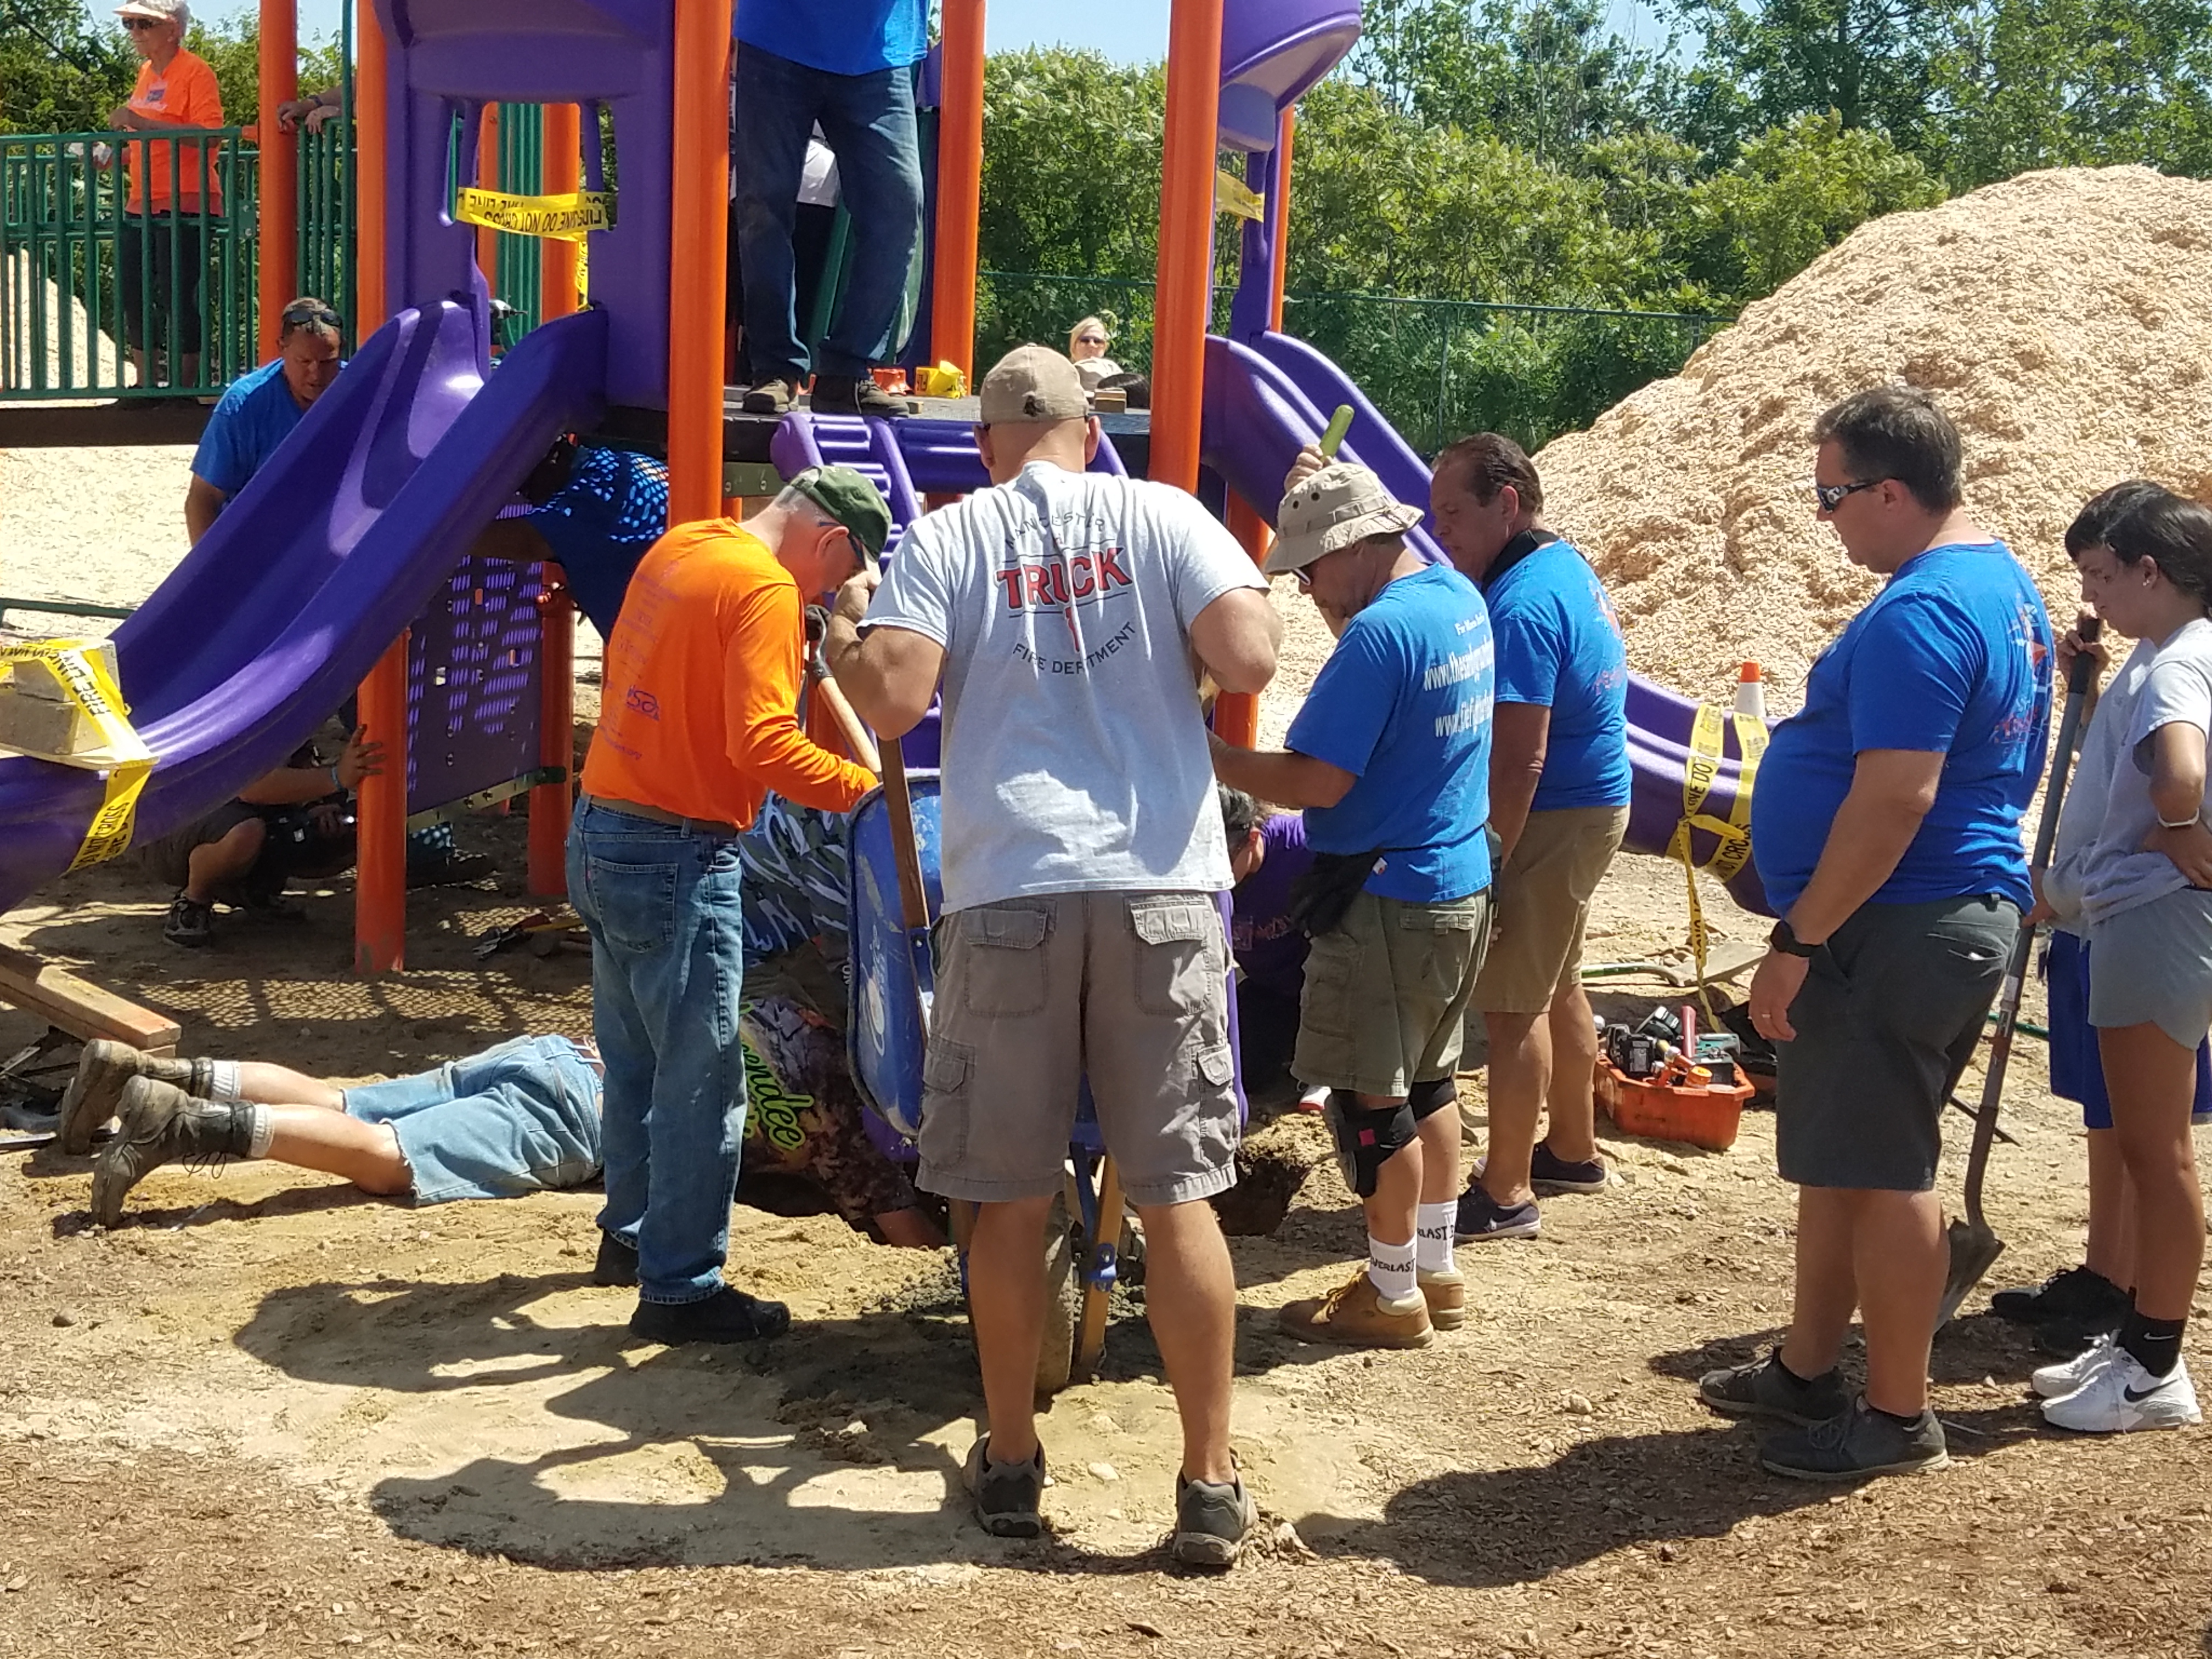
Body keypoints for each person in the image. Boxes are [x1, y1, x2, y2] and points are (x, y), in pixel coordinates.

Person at [825, 345, 1280, 1566]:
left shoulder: (951, 535)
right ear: (1091, 429)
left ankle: (1015, 1459)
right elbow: (1250, 658)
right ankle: (1208, 1479)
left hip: (1012, 887)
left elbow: (893, 702)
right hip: (1159, 885)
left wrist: (851, 632)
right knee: (1178, 1193)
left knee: (1009, 1195)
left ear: (986, 444)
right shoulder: (1164, 516)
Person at [1698, 386, 2051, 1481]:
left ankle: (1899, 1414)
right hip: (1924, 914)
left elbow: (1897, 795)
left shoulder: (1924, 611)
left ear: (1891, 492)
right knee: (1843, 1159)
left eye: (1831, 495)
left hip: (1891, 924)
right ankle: (1806, 1368)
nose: (1825, 518)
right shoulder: (1999, 584)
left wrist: (1799, 938)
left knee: (1888, 1167)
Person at [569, 464, 888, 1348]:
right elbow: (764, 745)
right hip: (677, 849)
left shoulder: (687, 547)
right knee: (704, 1080)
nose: (828, 594)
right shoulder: (766, 591)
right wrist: (867, 796)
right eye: (841, 575)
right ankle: (680, 1288)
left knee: (635, 1059)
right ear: (830, 540)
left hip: (601, 825)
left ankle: (631, 1237)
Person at [1211, 462, 1495, 1355]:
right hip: (1455, 877)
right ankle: (1433, 1269)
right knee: (1431, 1083)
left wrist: (1212, 756)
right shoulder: (1456, 599)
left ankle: (1390, 1289)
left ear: (1352, 547)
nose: (1305, 587)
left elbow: (1317, 780)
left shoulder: (1378, 636)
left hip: (1386, 896)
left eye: (1310, 567)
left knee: (1374, 1105)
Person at [1998, 482, 2212, 1360]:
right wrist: (2086, 689)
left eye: (2100, 575)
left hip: (2140, 915)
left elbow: (2179, 777)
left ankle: (2148, 1346)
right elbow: (2138, 765)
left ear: (2149, 570)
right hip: (2117, 913)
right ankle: (2120, 1299)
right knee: (2124, 1124)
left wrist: (2177, 826)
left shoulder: (2179, 664)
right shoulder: (2160, 651)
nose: (2091, 596)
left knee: (2155, 1149)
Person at [732, 2, 926, 418]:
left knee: (898, 204)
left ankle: (847, 371)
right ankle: (775, 368)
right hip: (776, 35)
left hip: (879, 51)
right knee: (763, 205)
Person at [143, 723, 382, 948]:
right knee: (245, 833)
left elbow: (301, 764)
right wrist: (336, 777)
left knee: (348, 832)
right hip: (169, 825)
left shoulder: (292, 709)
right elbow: (252, 788)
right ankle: (194, 901)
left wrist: (318, 806)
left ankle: (254, 889)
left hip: (246, 813)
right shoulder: (243, 704)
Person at [99, 0, 224, 392]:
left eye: (144, 24)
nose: (134, 32)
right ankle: (146, 384)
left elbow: (210, 137)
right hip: (142, 200)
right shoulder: (145, 73)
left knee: (177, 294)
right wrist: (114, 157)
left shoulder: (196, 71)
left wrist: (138, 122)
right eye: (131, 24)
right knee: (133, 290)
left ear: (172, 29)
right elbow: (148, 142)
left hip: (187, 198)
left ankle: (182, 390)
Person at [185, 298, 345, 543]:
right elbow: (203, 498)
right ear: (282, 348)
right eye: (304, 361)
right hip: (257, 542)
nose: (316, 373)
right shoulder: (243, 404)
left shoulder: (362, 389)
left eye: (328, 362)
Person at [1218, 786, 1324, 1107]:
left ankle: (1328, 1070)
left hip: (1329, 987)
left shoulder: (1303, 846)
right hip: (1272, 989)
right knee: (1240, 1071)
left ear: (1252, 839)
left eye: (1223, 862)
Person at [1066, 316, 1124, 393]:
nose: (1092, 345)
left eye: (1097, 341)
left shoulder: (1114, 370)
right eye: (1085, 340)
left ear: (1104, 347)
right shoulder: (1063, 372)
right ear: (1074, 345)